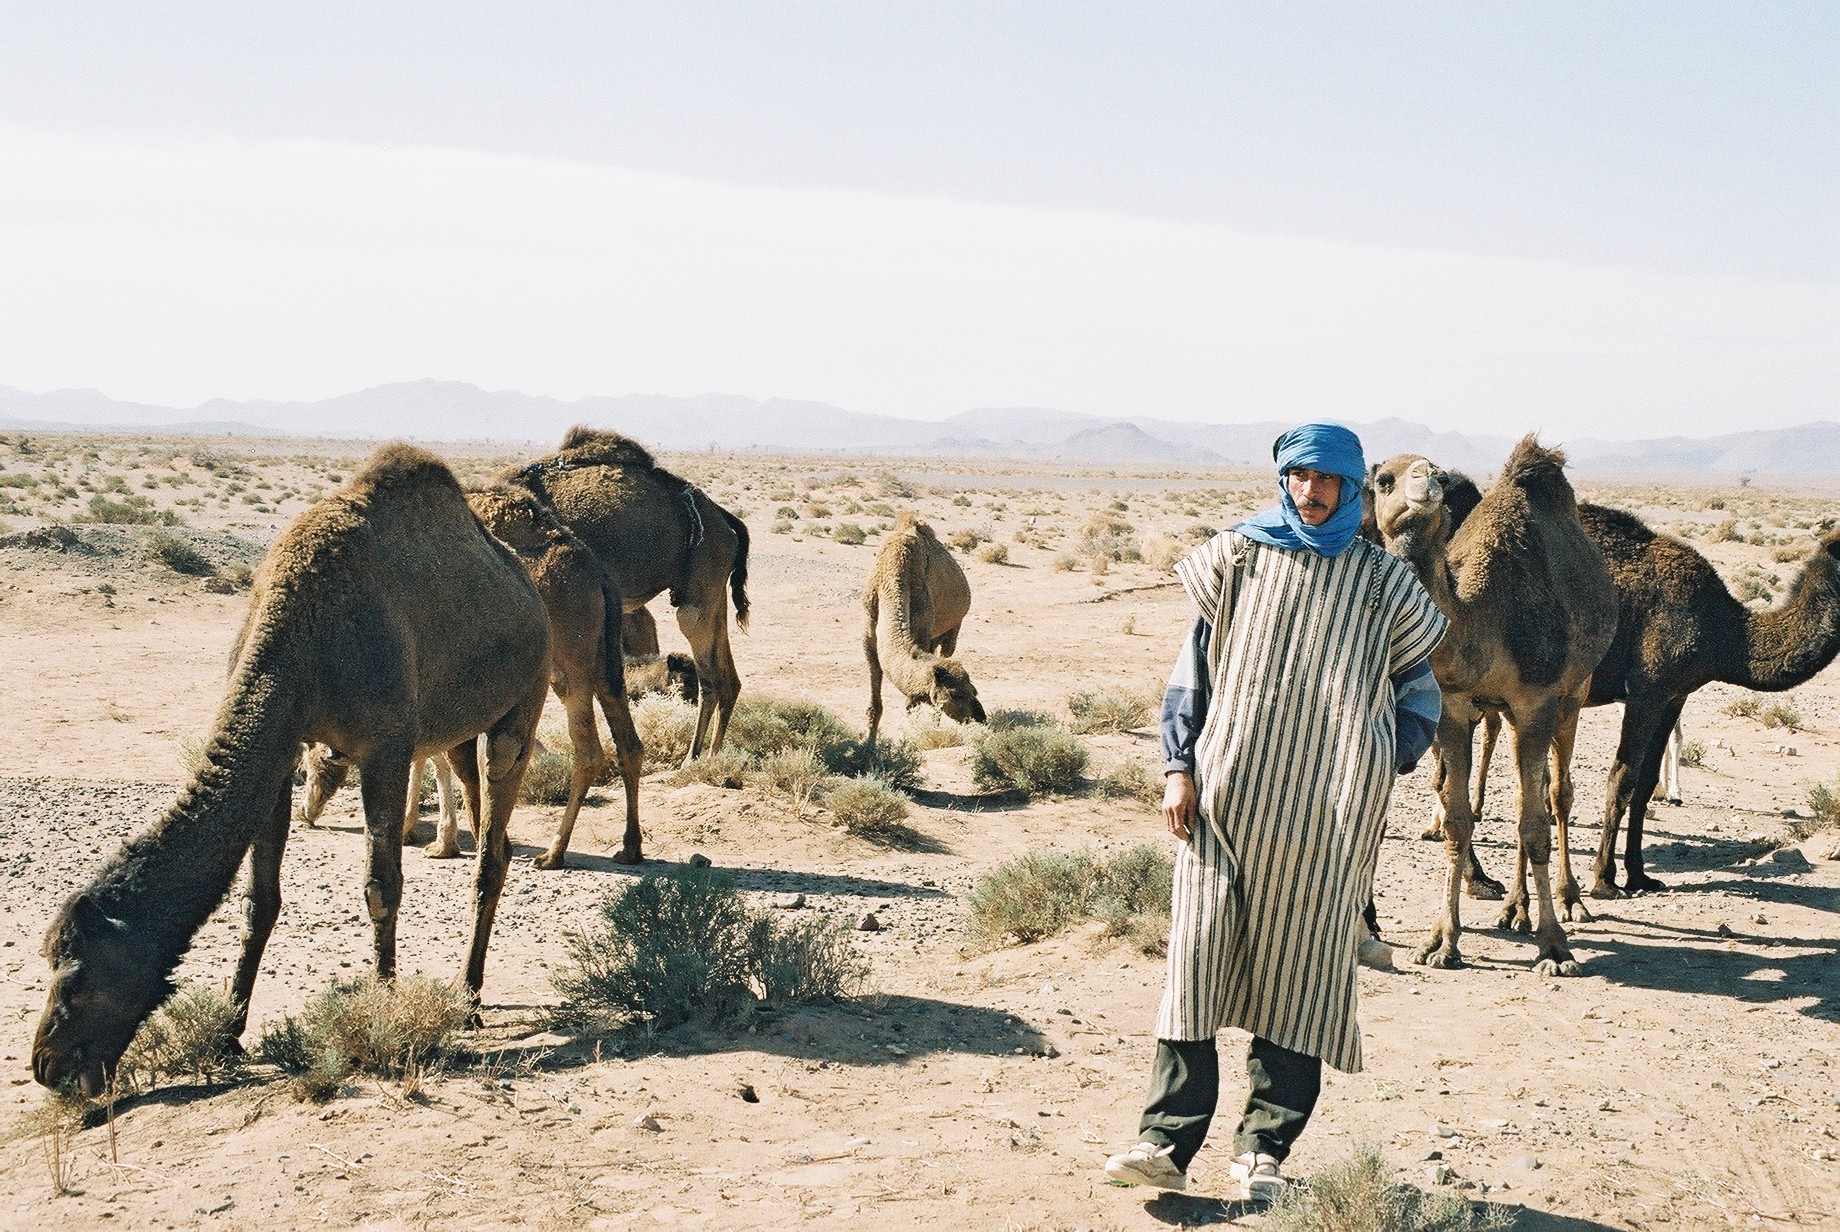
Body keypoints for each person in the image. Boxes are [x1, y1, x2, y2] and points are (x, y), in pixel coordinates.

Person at [1104, 423, 1447, 1200]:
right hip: (1224, 801)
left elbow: (1419, 695)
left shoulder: (1384, 583)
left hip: (1326, 819)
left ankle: (1264, 1153)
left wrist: (1375, 763)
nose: (1311, 491)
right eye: (1298, 476)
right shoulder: (1238, 557)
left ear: (1352, 488)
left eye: (1326, 480)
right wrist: (1176, 767)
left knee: (1302, 974)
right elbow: (1189, 675)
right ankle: (1164, 1141)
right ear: (1282, 480)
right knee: (1195, 962)